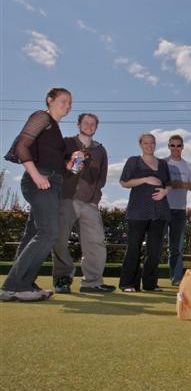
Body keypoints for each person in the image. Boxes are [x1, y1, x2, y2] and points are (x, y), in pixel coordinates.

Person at [0, 88, 80, 302]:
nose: (68, 106)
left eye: (70, 103)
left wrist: (71, 165)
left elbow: (62, 170)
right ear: (50, 100)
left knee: (32, 234)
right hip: (39, 181)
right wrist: (35, 175)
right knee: (49, 232)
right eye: (63, 101)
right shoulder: (41, 116)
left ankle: (26, 284)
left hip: (52, 182)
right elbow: (22, 145)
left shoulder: (55, 129)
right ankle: (14, 286)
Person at [51, 113, 115, 294]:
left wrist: (95, 200)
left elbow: (101, 179)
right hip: (66, 199)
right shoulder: (66, 143)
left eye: (93, 123)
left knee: (96, 242)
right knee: (60, 240)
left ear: (96, 127)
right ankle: (63, 279)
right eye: (85, 122)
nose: (89, 125)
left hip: (89, 203)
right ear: (78, 124)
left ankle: (92, 283)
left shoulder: (100, 150)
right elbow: (56, 167)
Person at [118, 133, 172, 292]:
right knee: (134, 247)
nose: (150, 145)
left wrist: (164, 192)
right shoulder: (133, 161)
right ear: (141, 144)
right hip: (138, 211)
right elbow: (124, 182)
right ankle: (128, 283)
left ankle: (150, 284)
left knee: (154, 250)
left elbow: (168, 184)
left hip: (160, 212)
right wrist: (145, 179)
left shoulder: (162, 164)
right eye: (146, 143)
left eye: (152, 143)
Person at [164, 134, 191, 286]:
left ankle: (176, 279)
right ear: (168, 147)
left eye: (179, 145)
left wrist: (181, 185)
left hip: (179, 211)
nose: (176, 148)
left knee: (176, 248)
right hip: (161, 209)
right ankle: (149, 280)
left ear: (182, 147)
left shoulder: (188, 166)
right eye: (173, 145)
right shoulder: (162, 164)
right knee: (154, 245)